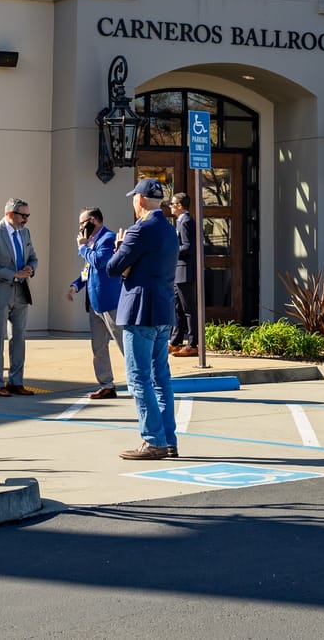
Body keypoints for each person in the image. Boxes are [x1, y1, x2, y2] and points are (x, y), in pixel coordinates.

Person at [107, 178, 179, 460]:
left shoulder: (139, 230)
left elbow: (113, 269)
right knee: (161, 377)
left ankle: (153, 441)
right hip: (162, 310)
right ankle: (168, 439)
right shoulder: (169, 230)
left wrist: (120, 246)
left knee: (139, 378)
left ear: (139, 200)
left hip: (140, 312)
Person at [0, 198, 38, 395]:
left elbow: (33, 257)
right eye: (23, 215)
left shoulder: (25, 233)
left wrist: (31, 268)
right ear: (10, 214)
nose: (26, 220)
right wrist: (13, 274)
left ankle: (16, 382)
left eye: (28, 215)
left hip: (20, 293)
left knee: (19, 339)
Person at [69, 206, 123, 399]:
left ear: (93, 221)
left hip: (110, 301)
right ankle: (106, 384)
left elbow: (100, 262)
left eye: (82, 223)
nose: (80, 228)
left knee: (124, 342)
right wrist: (76, 285)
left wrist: (83, 247)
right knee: (98, 347)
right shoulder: (91, 241)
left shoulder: (108, 238)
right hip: (94, 303)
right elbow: (88, 270)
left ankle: (143, 381)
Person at [170, 192, 198, 356]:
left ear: (180, 205)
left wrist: (171, 250)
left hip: (184, 271)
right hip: (178, 272)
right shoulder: (181, 221)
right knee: (177, 309)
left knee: (188, 310)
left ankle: (193, 344)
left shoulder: (186, 221)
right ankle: (175, 342)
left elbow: (188, 246)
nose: (171, 207)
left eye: (172, 204)